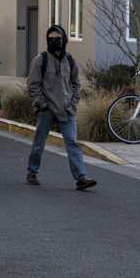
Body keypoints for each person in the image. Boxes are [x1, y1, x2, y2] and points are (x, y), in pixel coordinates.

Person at [25, 25, 97, 190]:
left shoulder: (70, 60)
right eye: (50, 39)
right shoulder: (40, 60)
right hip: (47, 109)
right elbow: (33, 84)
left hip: (67, 109)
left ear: (64, 39)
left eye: (57, 38)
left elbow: (76, 84)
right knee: (39, 142)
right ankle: (32, 171)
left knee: (72, 142)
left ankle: (81, 177)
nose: (54, 41)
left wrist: (73, 102)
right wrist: (41, 104)